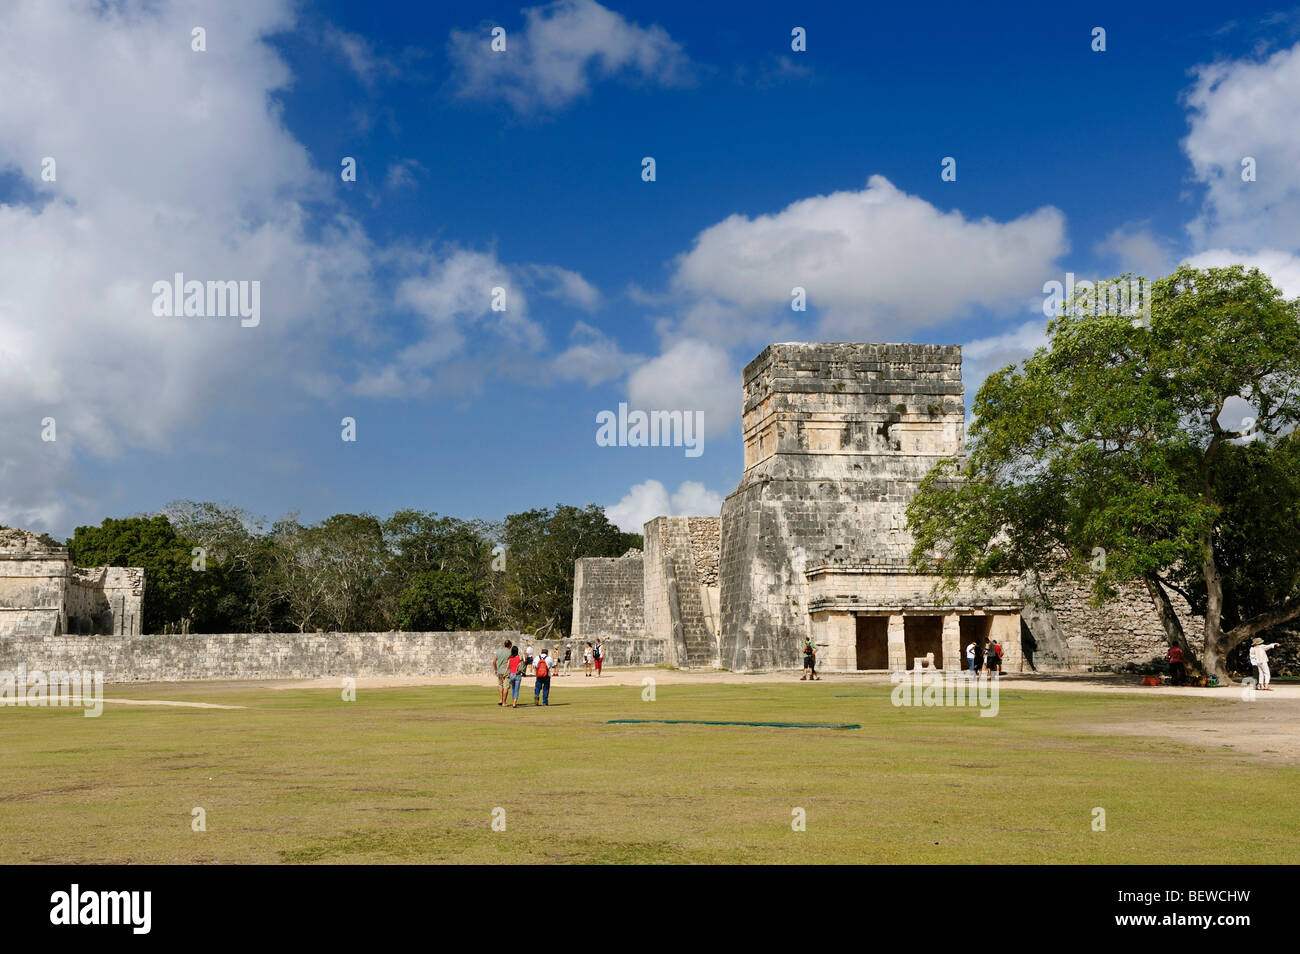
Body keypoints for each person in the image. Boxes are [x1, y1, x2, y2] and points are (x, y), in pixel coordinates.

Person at [493, 638, 513, 706]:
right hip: (507, 672)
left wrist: (496, 670)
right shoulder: (510, 653)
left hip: (499, 671)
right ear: (510, 645)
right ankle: (504, 702)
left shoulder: (499, 651)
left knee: (500, 685)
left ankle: (501, 699)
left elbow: (494, 661)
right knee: (506, 687)